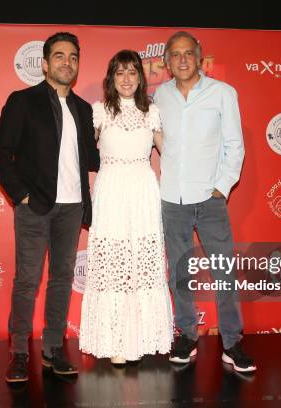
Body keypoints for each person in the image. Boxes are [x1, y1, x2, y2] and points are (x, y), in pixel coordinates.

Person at [0, 32, 99, 382]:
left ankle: (53, 349)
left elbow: (94, 158)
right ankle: (20, 353)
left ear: (78, 64)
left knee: (62, 279)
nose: (66, 62)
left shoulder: (84, 110)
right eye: (59, 56)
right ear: (44, 63)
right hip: (34, 207)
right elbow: (1, 155)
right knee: (27, 281)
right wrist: (21, 195)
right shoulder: (22, 101)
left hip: (72, 209)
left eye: (72, 57)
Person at [154, 31, 256, 372]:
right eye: (175, 54)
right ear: (166, 62)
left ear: (200, 57)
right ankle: (187, 336)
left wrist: (221, 188)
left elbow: (235, 145)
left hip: (210, 200)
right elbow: (159, 142)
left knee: (224, 273)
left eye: (188, 53)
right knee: (179, 274)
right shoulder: (159, 97)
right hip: (172, 200)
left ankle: (232, 342)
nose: (182, 59)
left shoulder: (223, 93)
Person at [79, 50, 173, 366]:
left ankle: (146, 337)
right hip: (111, 191)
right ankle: (115, 340)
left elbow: (170, 153)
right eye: (120, 73)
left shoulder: (153, 112)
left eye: (133, 72)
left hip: (143, 190)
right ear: (111, 78)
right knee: (114, 264)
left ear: (141, 78)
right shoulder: (99, 111)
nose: (127, 79)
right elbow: (79, 152)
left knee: (142, 263)